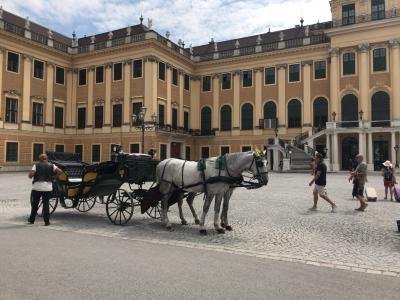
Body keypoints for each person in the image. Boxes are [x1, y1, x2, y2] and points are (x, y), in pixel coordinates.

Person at [28, 153, 62, 226]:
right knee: (46, 204)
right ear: (46, 159)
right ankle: (47, 222)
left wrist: (30, 175)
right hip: (47, 187)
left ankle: (31, 220)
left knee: (35, 204)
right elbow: (60, 172)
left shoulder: (36, 165)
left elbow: (31, 175)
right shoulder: (52, 165)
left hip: (37, 187)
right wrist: (53, 177)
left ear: (40, 159)